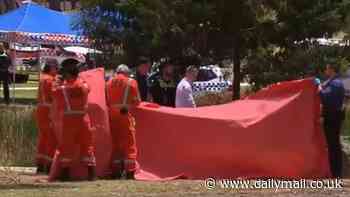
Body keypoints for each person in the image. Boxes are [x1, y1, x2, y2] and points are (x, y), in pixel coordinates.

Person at [53, 59, 96, 181]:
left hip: (69, 120)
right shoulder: (83, 85)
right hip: (83, 119)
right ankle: (91, 173)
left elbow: (54, 92)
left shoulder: (63, 88)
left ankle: (65, 174)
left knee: (67, 146)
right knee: (87, 145)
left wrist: (58, 80)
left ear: (69, 75)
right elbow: (89, 87)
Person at [106, 64, 141, 179]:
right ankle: (130, 171)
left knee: (115, 143)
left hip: (112, 116)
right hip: (124, 114)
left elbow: (107, 100)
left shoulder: (109, 83)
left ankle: (115, 171)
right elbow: (137, 101)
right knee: (130, 143)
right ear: (126, 73)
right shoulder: (131, 82)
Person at [318, 63, 345, 178]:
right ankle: (334, 171)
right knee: (332, 143)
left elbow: (325, 97)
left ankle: (336, 172)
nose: (325, 71)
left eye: (327, 68)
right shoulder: (332, 82)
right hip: (331, 116)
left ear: (331, 69)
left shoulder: (336, 83)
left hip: (333, 117)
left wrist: (319, 88)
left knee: (333, 144)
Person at [35, 58, 59, 174]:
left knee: (43, 137)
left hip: (40, 111)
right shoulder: (50, 80)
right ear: (51, 68)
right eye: (56, 68)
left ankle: (40, 164)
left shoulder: (42, 78)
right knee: (51, 138)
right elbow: (55, 95)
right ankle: (49, 165)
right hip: (49, 111)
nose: (57, 71)